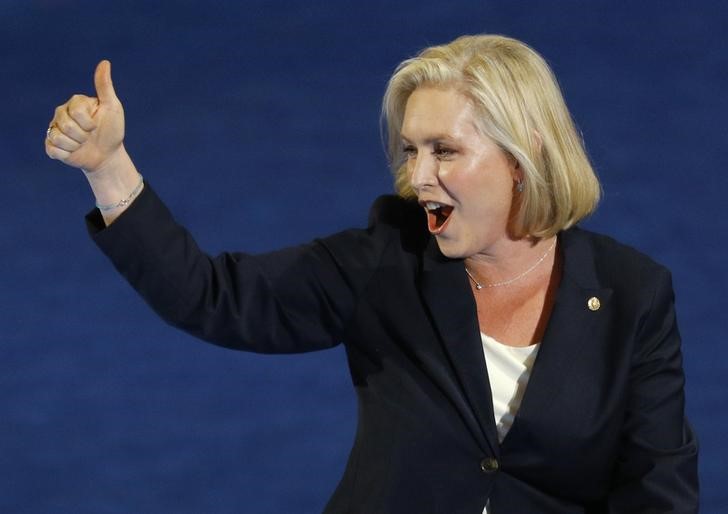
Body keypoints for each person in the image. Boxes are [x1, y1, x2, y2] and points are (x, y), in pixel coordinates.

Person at [45, 35, 698, 513]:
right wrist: (108, 168)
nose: (419, 177)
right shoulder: (386, 261)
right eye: (412, 149)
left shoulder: (631, 293)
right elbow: (212, 297)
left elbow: (657, 486)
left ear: (522, 156)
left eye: (444, 150)